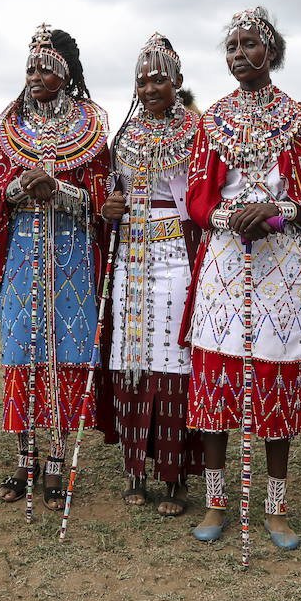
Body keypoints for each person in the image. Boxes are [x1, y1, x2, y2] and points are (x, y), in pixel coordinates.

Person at [181, 8, 301, 548]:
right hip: (223, 260)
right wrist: (230, 217)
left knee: (275, 380)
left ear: (274, 53)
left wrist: (275, 214)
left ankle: (276, 507)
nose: (239, 54)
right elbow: (197, 199)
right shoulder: (212, 119)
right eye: (231, 46)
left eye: (250, 45)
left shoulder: (298, 118)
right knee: (217, 381)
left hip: (280, 263)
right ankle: (217, 504)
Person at [0, 24, 111, 511]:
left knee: (64, 347)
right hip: (22, 251)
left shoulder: (91, 125)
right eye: (30, 68)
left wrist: (57, 189)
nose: (35, 76)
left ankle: (58, 456)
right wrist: (23, 186)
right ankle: (25, 457)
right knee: (23, 350)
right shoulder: (10, 125)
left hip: (72, 253)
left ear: (65, 74)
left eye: (45, 68)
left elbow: (103, 197)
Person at [99, 34, 202, 517]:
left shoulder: (198, 131)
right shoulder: (125, 135)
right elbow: (111, 194)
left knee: (176, 360)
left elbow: (203, 197)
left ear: (178, 82)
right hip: (131, 258)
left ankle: (178, 477)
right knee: (131, 357)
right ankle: (135, 471)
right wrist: (111, 208)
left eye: (158, 78)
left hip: (177, 255)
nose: (148, 87)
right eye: (141, 80)